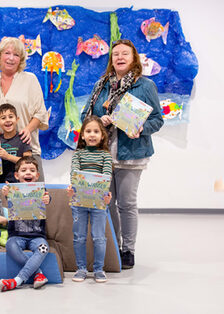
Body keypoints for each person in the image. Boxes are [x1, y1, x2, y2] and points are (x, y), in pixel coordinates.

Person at [82, 39, 164, 269]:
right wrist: (99, 121)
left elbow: (157, 120)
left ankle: (128, 250)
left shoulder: (145, 86)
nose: (119, 57)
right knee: (107, 203)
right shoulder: (102, 85)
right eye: (115, 54)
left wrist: (141, 128)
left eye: (124, 54)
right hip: (103, 155)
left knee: (126, 204)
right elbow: (84, 117)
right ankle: (114, 247)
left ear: (133, 58)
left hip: (131, 153)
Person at [0, 37, 49, 181]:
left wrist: (28, 129)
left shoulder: (30, 80)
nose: (11, 58)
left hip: (26, 153)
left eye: (16, 55)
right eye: (7, 53)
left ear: (21, 59)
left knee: (32, 198)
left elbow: (40, 112)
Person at [66, 116, 113, 283]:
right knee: (79, 236)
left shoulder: (105, 156)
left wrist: (106, 194)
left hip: (99, 202)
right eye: (88, 131)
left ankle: (99, 269)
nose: (92, 134)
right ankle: (81, 268)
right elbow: (74, 174)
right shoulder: (78, 154)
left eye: (96, 131)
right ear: (83, 135)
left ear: (102, 135)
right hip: (79, 201)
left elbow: (107, 175)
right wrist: (73, 188)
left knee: (99, 236)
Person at [0, 156, 51, 292]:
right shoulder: (12, 190)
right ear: (17, 175)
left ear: (37, 175)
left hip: (37, 236)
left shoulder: (41, 190)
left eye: (32, 170)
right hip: (17, 236)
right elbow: (7, 196)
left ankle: (17, 280)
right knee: (10, 245)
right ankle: (38, 273)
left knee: (44, 248)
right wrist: (6, 193)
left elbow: (47, 197)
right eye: (24, 170)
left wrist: (47, 198)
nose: (28, 173)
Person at [0, 103, 32, 183]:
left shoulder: (23, 138)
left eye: (11, 117)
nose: (7, 120)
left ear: (17, 119)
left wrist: (7, 156)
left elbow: (29, 162)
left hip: (18, 183)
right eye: (3, 118)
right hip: (0, 183)